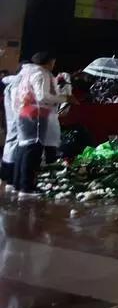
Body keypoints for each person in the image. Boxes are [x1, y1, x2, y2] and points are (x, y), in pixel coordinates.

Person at [10, 52, 72, 199]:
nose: (53, 65)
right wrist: (65, 97)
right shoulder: (42, 73)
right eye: (53, 62)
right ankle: (27, 188)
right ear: (49, 62)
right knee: (33, 150)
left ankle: (17, 184)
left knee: (23, 148)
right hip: (36, 115)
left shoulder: (28, 72)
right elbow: (42, 96)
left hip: (24, 113)